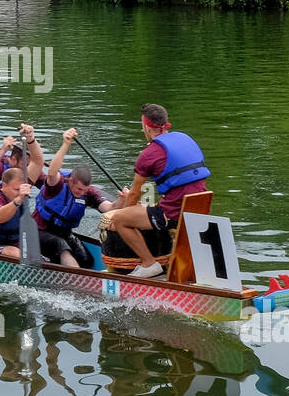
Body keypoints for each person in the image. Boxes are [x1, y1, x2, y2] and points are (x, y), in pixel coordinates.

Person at [101, 103, 212, 279]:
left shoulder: (148, 154)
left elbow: (135, 194)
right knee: (149, 209)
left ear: (146, 126)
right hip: (201, 206)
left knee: (120, 219)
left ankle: (149, 264)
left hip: (174, 213)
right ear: (165, 124)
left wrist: (123, 213)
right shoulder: (185, 138)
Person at [35, 128, 118, 267]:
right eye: (79, 189)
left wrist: (124, 199)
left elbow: (109, 208)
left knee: (87, 259)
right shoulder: (58, 184)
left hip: (64, 232)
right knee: (61, 246)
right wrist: (66, 144)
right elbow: (52, 171)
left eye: (84, 190)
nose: (81, 193)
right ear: (71, 181)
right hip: (39, 230)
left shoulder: (88, 192)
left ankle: (68, 269)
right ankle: (75, 281)